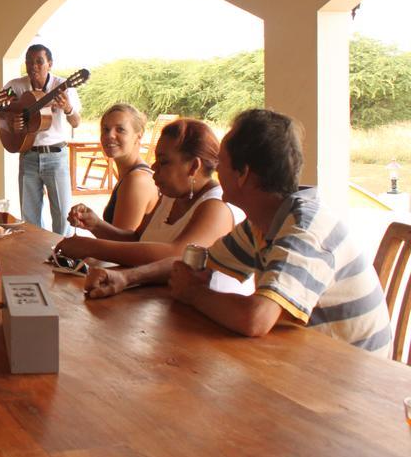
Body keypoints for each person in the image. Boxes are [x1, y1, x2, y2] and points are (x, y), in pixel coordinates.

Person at [84, 109, 393, 356]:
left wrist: (193, 293)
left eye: (223, 165)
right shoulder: (262, 223)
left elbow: (255, 319)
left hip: (354, 386)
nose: (215, 172)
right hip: (304, 363)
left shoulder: (305, 228)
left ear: (243, 174)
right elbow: (195, 262)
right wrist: (126, 279)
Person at [56, 119, 237, 265]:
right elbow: (137, 240)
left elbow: (177, 255)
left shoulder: (216, 207)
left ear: (193, 166)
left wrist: (92, 247)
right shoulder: (170, 196)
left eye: (164, 162)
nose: (153, 166)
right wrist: (95, 225)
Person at [2, 44, 82, 235]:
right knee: (29, 217)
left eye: (39, 61)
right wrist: (9, 118)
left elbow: (76, 122)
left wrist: (68, 108)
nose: (33, 66)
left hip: (55, 156)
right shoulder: (15, 87)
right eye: (29, 61)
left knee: (63, 217)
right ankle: (34, 260)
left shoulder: (63, 87)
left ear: (50, 64)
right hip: (28, 154)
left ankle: (63, 259)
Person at [98, 104, 160, 231]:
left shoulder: (137, 180)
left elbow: (121, 245)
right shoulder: (129, 174)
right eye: (106, 129)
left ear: (138, 136)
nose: (110, 135)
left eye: (120, 129)